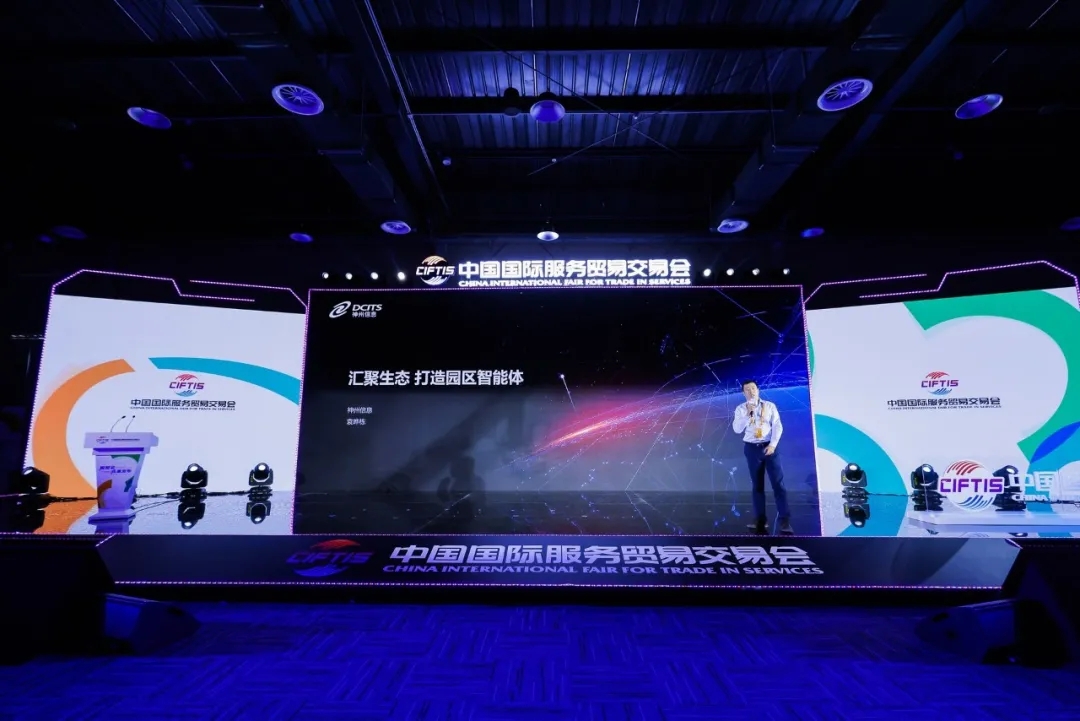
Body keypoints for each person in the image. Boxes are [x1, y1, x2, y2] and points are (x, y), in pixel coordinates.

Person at [732, 379, 793, 534]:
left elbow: (777, 426)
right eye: (747, 389)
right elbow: (737, 429)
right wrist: (748, 414)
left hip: (769, 447)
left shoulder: (769, 406)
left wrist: (772, 445)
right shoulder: (740, 409)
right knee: (757, 485)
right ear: (743, 393)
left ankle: (784, 520)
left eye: (753, 388)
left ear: (758, 390)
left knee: (778, 484)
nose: (751, 392)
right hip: (752, 449)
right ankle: (760, 519)